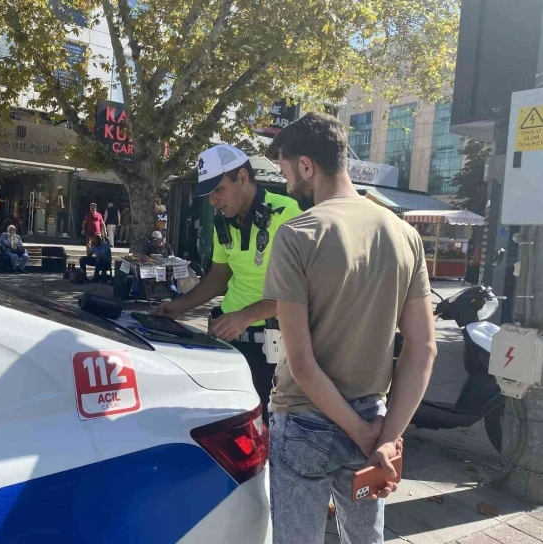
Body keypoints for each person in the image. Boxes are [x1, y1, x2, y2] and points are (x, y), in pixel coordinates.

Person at [262, 112, 437, 543]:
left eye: (286, 172)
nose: (287, 186)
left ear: (307, 166)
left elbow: (301, 364)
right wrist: (385, 438)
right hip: (374, 416)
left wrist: (361, 435)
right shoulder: (404, 234)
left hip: (305, 423)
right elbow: (423, 349)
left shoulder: (297, 234)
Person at [150, 144, 302, 422]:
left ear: (243, 177)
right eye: (208, 194)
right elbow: (219, 276)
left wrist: (246, 316)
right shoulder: (223, 224)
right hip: (230, 339)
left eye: (218, 190)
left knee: (268, 428)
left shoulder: (288, 214)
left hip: (275, 347)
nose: (212, 201)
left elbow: (305, 290)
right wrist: (178, 306)